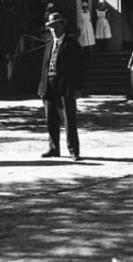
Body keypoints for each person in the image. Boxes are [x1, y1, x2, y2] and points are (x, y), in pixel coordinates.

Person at [38, 12, 83, 161]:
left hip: (65, 86)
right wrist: (42, 87)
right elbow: (44, 67)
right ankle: (54, 148)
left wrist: (77, 88)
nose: (54, 30)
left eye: (56, 26)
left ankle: (73, 150)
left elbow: (79, 69)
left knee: (69, 119)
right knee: (51, 118)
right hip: (49, 85)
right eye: (51, 27)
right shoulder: (49, 45)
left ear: (63, 26)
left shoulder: (72, 45)